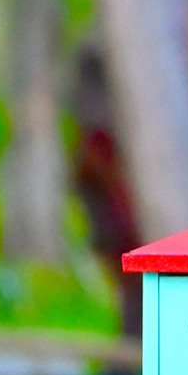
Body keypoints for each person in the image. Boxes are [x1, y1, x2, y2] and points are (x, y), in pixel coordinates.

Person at [70, 40, 144, 337]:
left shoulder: (102, 137)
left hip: (123, 224)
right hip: (116, 226)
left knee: (134, 292)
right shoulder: (97, 142)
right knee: (131, 292)